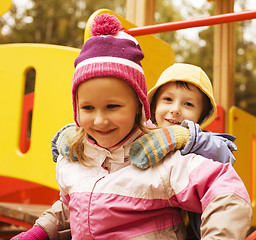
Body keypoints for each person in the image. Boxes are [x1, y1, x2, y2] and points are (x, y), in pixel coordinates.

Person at [11, 14, 252, 240]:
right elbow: (71, 203)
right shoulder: (76, 158)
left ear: (139, 106)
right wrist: (39, 232)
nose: (99, 120)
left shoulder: (164, 159)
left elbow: (225, 189)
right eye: (88, 108)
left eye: (113, 106)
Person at [129, 63, 238, 239]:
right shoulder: (142, 134)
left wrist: (188, 138)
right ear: (154, 105)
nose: (175, 109)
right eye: (168, 99)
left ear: (201, 116)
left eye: (188, 104)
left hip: (186, 227)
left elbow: (225, 155)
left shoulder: (202, 140)